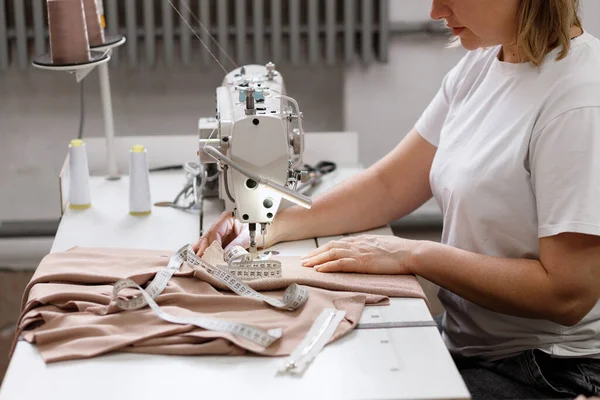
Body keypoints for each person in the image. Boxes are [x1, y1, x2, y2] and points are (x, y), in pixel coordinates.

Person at [194, 0, 600, 398]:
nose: (435, 12)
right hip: (473, 345)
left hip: (550, 370)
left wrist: (414, 256)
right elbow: (391, 185)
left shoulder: (578, 101)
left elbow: (567, 294)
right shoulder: (483, 64)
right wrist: (273, 224)